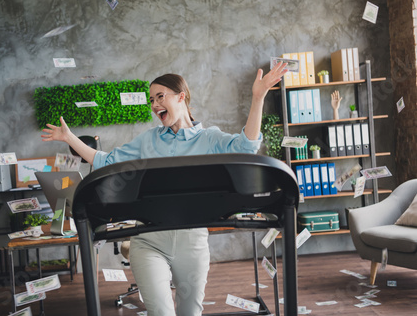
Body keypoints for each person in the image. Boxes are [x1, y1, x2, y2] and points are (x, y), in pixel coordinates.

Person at [41, 63, 287, 316]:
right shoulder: (148, 140)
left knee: (190, 312)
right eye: (151, 100)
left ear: (181, 97)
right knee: (160, 312)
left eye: (161, 96)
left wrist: (258, 97)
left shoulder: (209, 139)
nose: (155, 104)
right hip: (148, 241)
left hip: (192, 242)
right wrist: (70, 138)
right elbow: (105, 160)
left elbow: (246, 148)